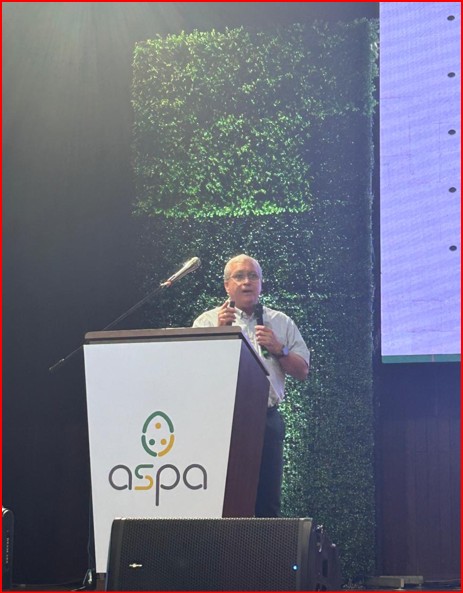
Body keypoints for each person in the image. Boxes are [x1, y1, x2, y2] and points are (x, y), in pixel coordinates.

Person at [193, 254, 310, 517]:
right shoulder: (207, 322)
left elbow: (302, 371)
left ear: (261, 283)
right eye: (239, 276)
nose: (247, 282)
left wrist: (279, 349)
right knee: (225, 502)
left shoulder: (280, 322)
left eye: (253, 276)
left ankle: (266, 546)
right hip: (223, 422)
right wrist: (219, 335)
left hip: (266, 420)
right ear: (227, 285)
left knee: (268, 504)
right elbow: (197, 375)